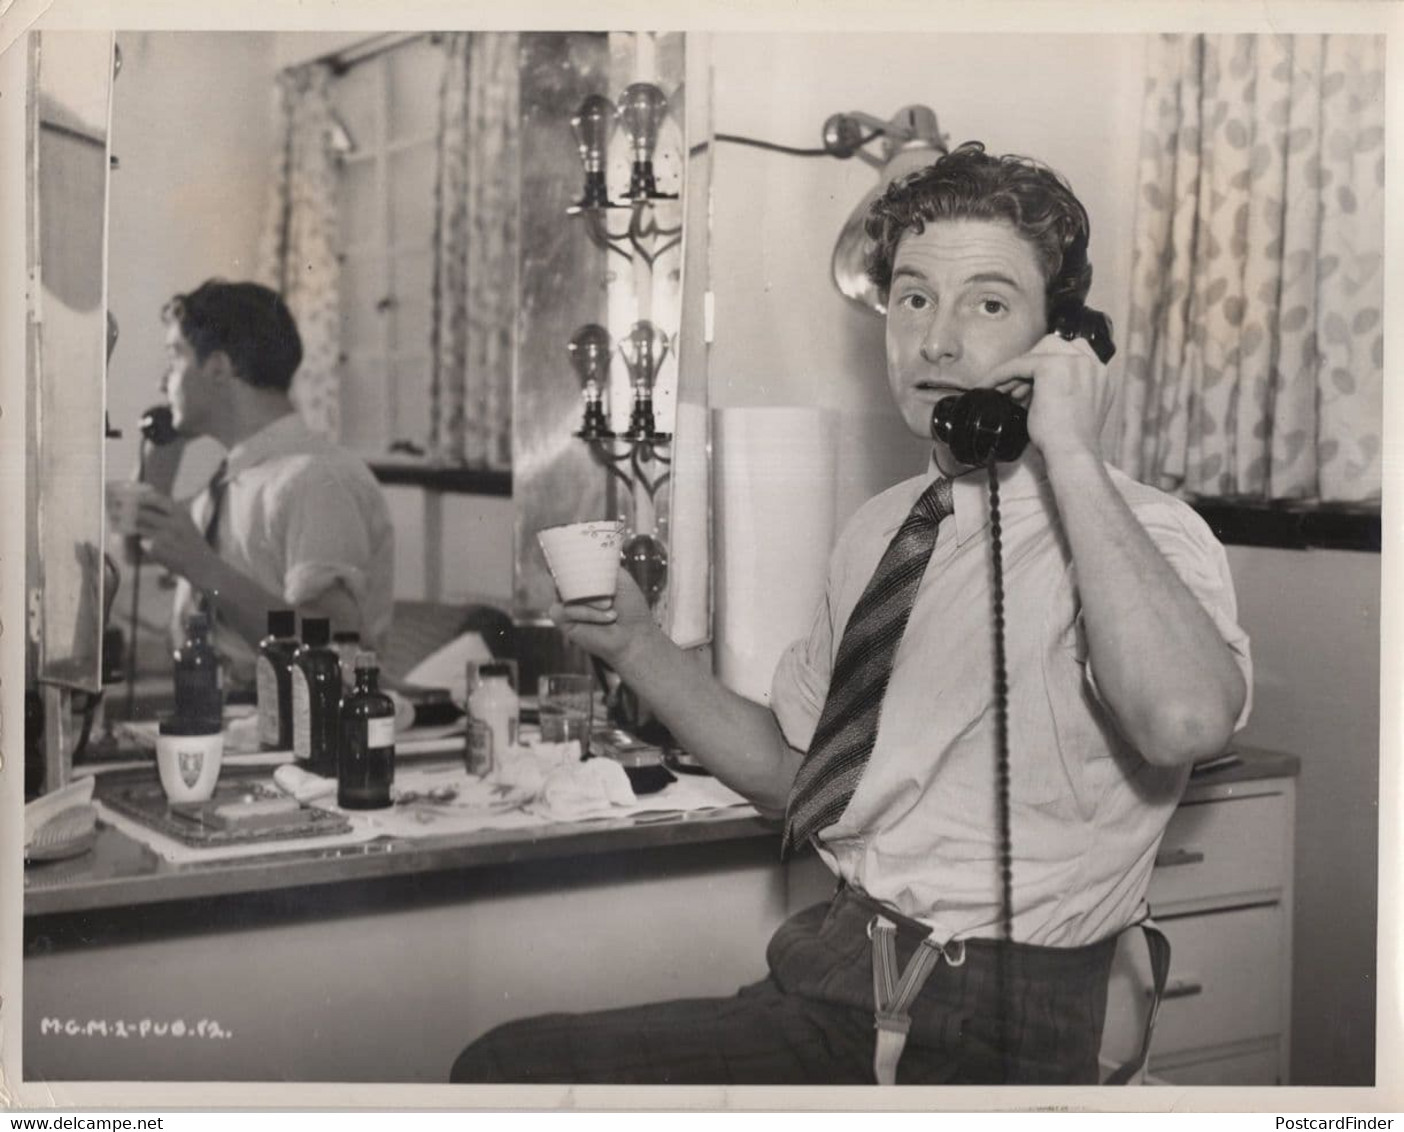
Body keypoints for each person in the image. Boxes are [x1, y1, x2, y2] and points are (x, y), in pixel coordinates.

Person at [450, 142, 1251, 1086]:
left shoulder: (1142, 536)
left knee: (514, 1076)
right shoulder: (883, 530)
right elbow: (799, 778)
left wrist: (1071, 453)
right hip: (840, 973)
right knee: (509, 1066)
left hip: (995, 1020)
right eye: (914, 298)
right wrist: (634, 642)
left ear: (1063, 347)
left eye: (987, 304)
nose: (937, 341)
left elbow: (1186, 720)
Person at [131, 279, 395, 695]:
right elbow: (138, 547)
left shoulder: (315, 481)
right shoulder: (233, 481)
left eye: (174, 358)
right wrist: (159, 455)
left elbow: (330, 646)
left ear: (217, 367)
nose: (163, 383)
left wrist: (203, 568)